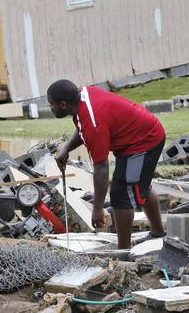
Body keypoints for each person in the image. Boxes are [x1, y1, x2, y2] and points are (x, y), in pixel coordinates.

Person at [47, 79, 166, 249]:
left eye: (51, 104)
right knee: (141, 186)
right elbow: (83, 126)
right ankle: (157, 234)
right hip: (136, 139)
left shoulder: (92, 123)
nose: (50, 108)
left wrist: (97, 209)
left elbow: (101, 168)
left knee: (121, 193)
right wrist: (66, 147)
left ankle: (123, 252)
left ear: (63, 104)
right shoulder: (81, 98)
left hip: (144, 142)